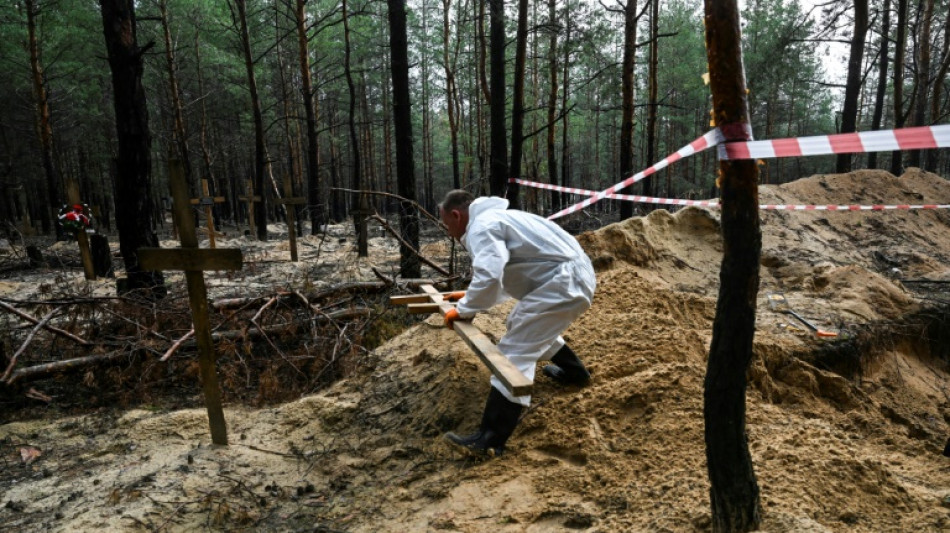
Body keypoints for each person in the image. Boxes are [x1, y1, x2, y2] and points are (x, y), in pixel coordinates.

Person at [438, 189, 596, 457]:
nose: (448, 230)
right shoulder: (501, 218)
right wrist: (471, 295)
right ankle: (575, 373)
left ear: (456, 215)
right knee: (522, 325)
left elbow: (489, 275)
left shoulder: (481, 227)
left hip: (562, 283)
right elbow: (508, 274)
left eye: (446, 224)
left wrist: (465, 309)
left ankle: (490, 439)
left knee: (514, 352)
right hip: (570, 278)